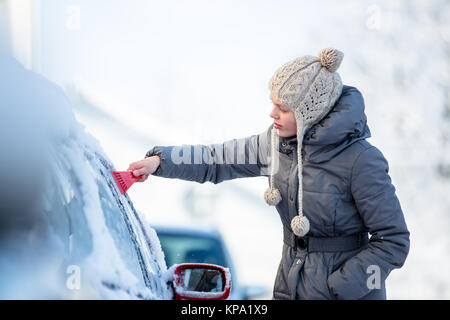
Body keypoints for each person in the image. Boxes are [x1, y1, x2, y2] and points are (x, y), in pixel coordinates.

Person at [128, 48, 410, 300]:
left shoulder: (361, 160)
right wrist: (159, 161)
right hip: (290, 286)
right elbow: (215, 160)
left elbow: (393, 241)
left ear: (310, 114)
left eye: (283, 108)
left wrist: (342, 286)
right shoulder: (274, 145)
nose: (271, 113)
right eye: (272, 102)